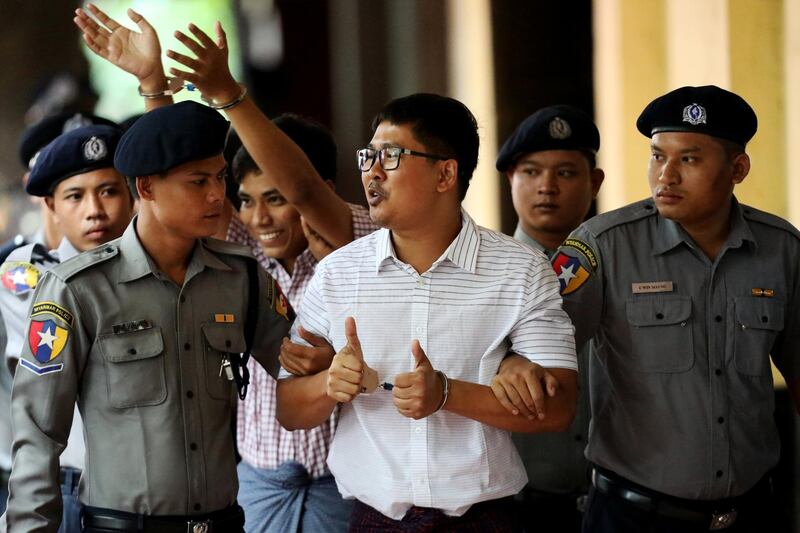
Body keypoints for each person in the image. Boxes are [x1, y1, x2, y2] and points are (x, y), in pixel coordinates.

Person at [73, 7, 378, 530]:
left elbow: (303, 189)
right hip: (255, 488)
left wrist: (228, 95)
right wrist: (152, 85)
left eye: (276, 198)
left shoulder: (355, 243)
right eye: (245, 198)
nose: (258, 216)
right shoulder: (237, 250)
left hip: (345, 485)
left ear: (323, 191)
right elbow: (173, 180)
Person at [274, 92, 578, 531]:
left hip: (481, 520)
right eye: (368, 157)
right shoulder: (339, 272)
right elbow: (289, 408)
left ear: (445, 173)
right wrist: (329, 383)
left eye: (391, 156)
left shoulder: (521, 270)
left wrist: (448, 395)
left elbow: (559, 407)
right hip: (371, 519)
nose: (371, 172)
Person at [5, 101, 291, 533]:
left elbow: (298, 367)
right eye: (198, 182)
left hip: (224, 522)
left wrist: (329, 366)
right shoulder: (78, 288)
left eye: (219, 178)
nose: (217, 194)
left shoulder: (241, 277)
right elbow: (39, 430)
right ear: (147, 187)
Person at [547, 85, 800, 532]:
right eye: (657, 156)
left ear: (737, 168)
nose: (666, 176)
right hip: (634, 517)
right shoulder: (602, 246)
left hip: (754, 513)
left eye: (689, 159)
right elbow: (538, 354)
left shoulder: (781, 249)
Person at [0, 123, 135, 532]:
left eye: (109, 191)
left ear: (134, 196)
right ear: (51, 205)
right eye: (75, 196)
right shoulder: (26, 271)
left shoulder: (164, 265)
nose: (95, 209)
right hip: (74, 484)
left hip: (156, 492)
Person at [493, 105, 604, 532]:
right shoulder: (483, 273)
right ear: (510, 180)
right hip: (518, 505)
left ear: (594, 183)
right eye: (532, 172)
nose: (547, 187)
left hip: (615, 503)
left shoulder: (621, 268)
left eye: (566, 173)